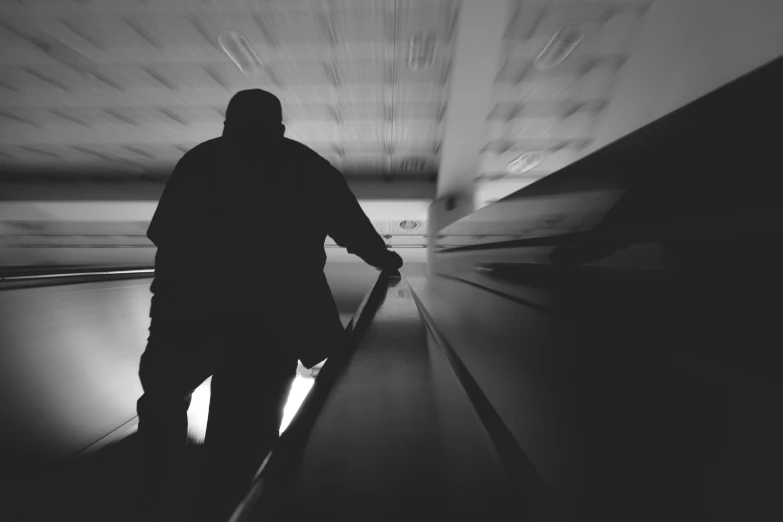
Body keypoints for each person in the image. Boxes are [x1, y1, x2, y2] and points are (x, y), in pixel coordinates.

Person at [134, 89, 403, 520]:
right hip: (269, 326)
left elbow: (168, 247)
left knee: (163, 405)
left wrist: (160, 316)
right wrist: (385, 260)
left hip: (188, 316)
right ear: (279, 129)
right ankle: (220, 508)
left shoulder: (198, 164)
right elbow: (354, 228)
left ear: (226, 124)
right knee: (240, 446)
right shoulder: (308, 168)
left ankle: (156, 496)